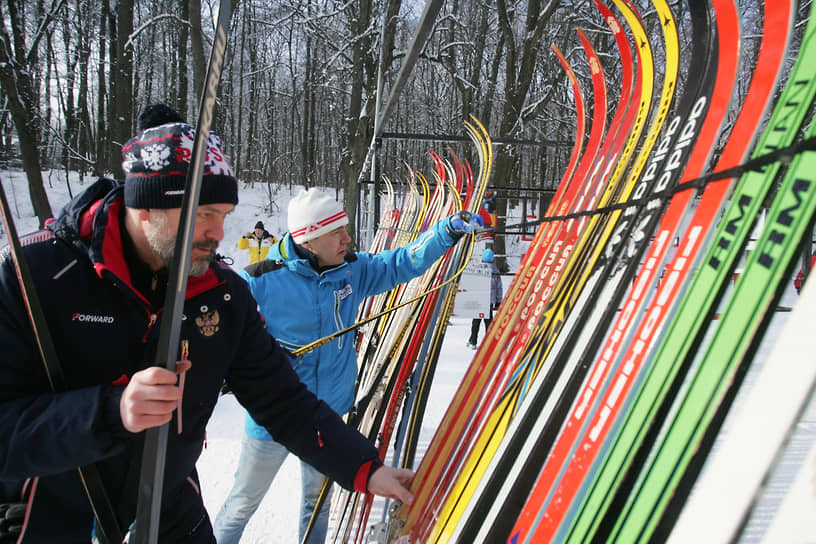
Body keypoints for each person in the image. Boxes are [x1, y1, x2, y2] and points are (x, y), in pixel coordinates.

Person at [0, 104, 414, 543]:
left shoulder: (221, 294)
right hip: (46, 513)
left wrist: (364, 468)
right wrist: (110, 411)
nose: (218, 233)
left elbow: (283, 400)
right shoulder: (41, 274)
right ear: (144, 208)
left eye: (222, 213)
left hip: (170, 507)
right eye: (202, 215)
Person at [213, 189, 483, 543]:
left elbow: (403, 262)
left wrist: (446, 231)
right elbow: (222, 340)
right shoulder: (259, 280)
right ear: (308, 240)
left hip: (327, 418)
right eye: (336, 232)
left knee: (317, 505)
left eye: (344, 228)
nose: (347, 238)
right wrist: (250, 360)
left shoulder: (351, 270)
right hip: (274, 418)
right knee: (242, 504)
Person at [466, 248, 503, 349]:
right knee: (488, 320)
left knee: (476, 321)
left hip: (479, 298)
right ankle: (488, 343)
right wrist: (498, 301)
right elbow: (499, 287)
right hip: (490, 300)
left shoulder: (477, 268)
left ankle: (473, 341)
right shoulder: (495, 270)